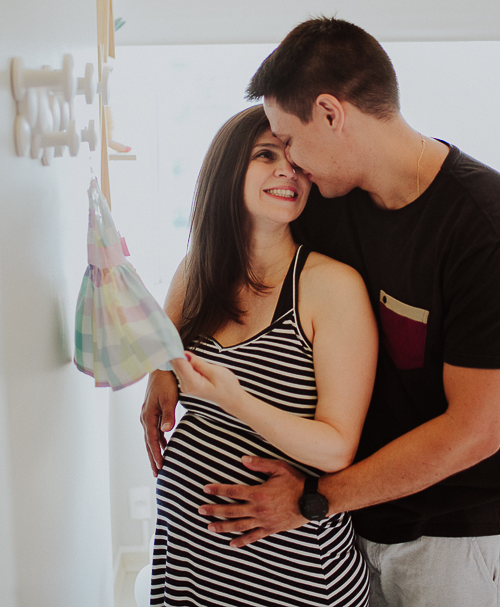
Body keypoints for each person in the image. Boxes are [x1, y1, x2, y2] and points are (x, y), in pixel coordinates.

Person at [142, 18, 500, 607]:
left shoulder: (493, 229)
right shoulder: (330, 199)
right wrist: (163, 361)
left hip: (452, 529)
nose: (292, 164)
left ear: (331, 114)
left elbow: (474, 434)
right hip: (351, 521)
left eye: (290, 138)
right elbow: (216, 253)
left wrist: (316, 497)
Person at [148, 104, 378, 606]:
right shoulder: (196, 272)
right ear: (229, 169)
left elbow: (337, 448)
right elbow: (165, 344)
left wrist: (237, 399)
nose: (286, 171)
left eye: (296, 161)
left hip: (290, 572)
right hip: (189, 557)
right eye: (265, 155)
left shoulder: (329, 287)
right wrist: (158, 371)